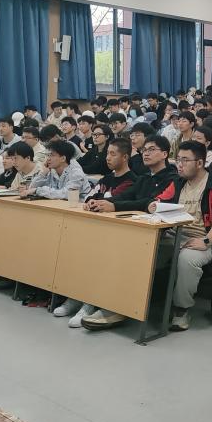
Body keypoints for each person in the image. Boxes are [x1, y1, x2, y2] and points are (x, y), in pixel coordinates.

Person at [51, 140, 139, 330]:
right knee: (76, 253)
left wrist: (99, 202)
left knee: (98, 259)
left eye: (113, 154)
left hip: (116, 234)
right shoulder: (106, 179)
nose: (108, 158)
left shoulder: (132, 180)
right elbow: (92, 195)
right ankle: (76, 297)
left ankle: (89, 303)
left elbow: (114, 200)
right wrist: (91, 202)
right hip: (94, 229)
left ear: (125, 157)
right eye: (107, 153)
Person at [150, 141, 212, 332]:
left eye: (185, 160)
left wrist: (206, 241)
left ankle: (181, 310)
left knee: (187, 259)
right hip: (175, 234)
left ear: (200, 163)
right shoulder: (179, 182)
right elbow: (161, 199)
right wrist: (154, 205)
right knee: (147, 247)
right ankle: (138, 301)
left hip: (206, 239)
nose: (179, 165)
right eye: (178, 160)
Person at [25, 139, 91, 200]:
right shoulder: (51, 170)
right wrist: (43, 174)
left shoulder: (76, 172)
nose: (48, 159)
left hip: (80, 205)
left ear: (63, 158)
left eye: (52, 155)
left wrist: (38, 190)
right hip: (58, 204)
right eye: (48, 155)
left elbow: (67, 194)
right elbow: (31, 189)